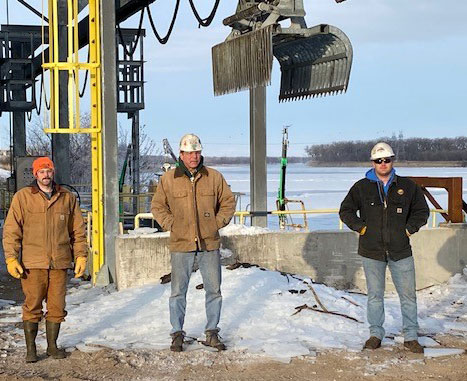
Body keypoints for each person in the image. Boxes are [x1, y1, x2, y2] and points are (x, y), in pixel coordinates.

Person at [339, 142, 429, 353]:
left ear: (392, 161)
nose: (383, 164)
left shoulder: (407, 186)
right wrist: (361, 228)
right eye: (378, 160)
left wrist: (408, 230)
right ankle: (375, 334)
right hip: (372, 251)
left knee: (408, 295)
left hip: (401, 251)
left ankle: (411, 336)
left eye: (386, 160)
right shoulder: (361, 187)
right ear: (373, 162)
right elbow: (346, 211)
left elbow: (421, 211)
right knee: (375, 295)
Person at [151, 133, 236, 352]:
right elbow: (158, 206)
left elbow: (228, 202)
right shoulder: (168, 179)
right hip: (181, 244)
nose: (194, 157)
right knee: (178, 291)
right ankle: (177, 333)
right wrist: (172, 224)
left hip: (209, 243)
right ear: (181, 154)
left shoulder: (214, 177)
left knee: (214, 290)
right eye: (189, 153)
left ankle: (212, 332)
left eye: (197, 152)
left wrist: (216, 223)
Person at [3, 157, 87, 362]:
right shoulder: (23, 197)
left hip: (59, 262)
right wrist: (11, 258)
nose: (46, 175)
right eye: (42, 171)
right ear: (35, 174)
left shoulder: (67, 197)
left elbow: (78, 230)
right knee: (32, 305)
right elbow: (11, 230)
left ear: (53, 172)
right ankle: (31, 350)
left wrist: (81, 255)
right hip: (33, 263)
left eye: (49, 170)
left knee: (57, 306)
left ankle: (52, 347)